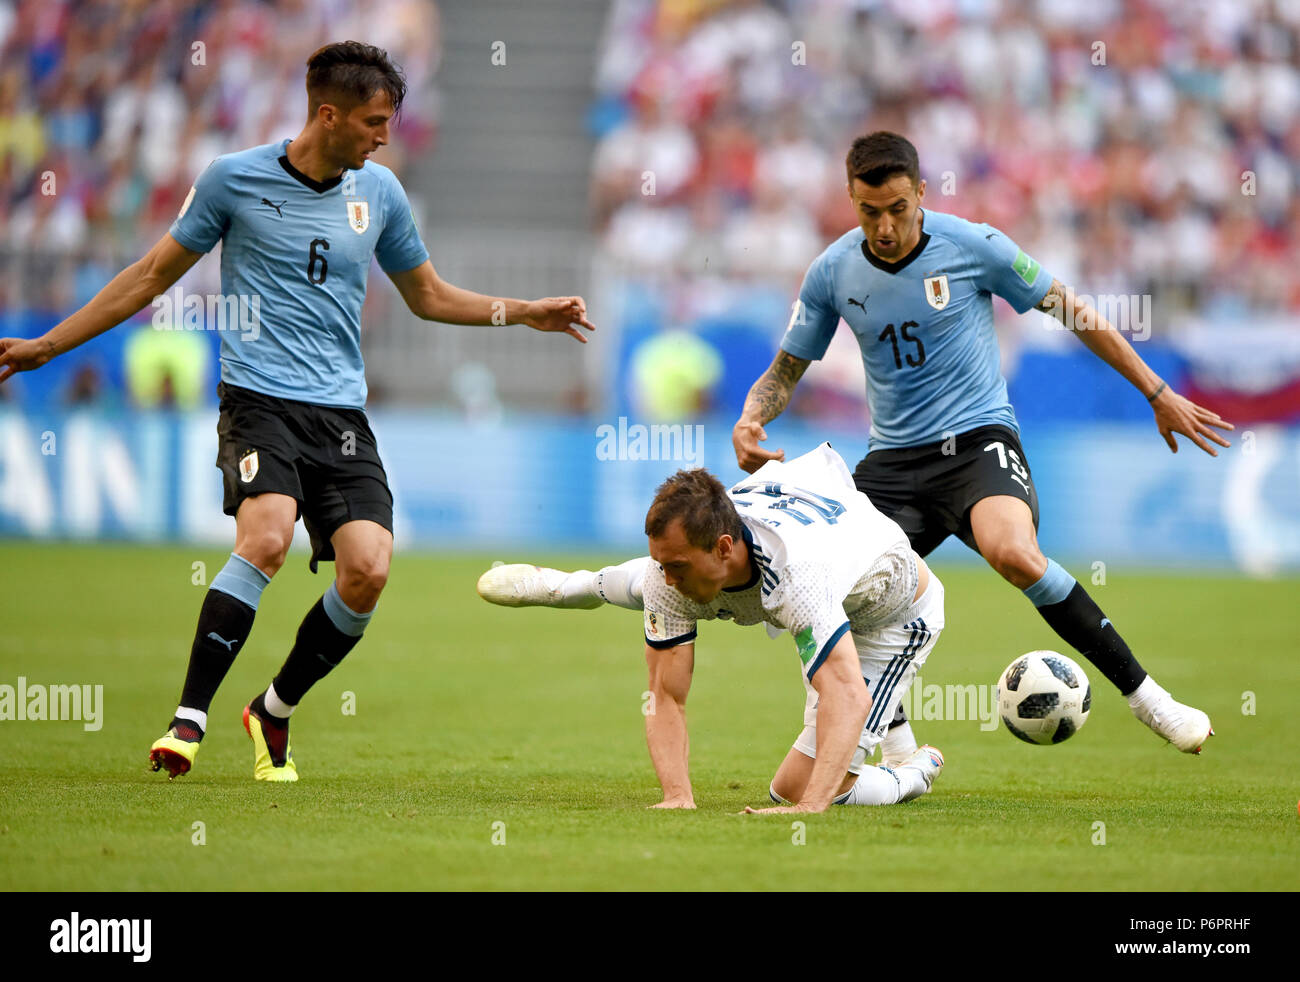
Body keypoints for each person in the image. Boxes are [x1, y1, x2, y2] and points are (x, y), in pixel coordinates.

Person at [0, 41, 595, 782]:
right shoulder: (233, 181)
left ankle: (273, 710)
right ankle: (188, 720)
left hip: (340, 415)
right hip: (258, 400)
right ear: (328, 114)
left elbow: (429, 295)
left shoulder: (379, 194)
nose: (384, 137)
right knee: (269, 536)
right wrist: (49, 346)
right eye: (374, 122)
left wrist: (522, 312)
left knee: (369, 570)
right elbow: (152, 275)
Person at [732, 131, 1229, 753]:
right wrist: (752, 418)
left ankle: (1152, 702)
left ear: (920, 192)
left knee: (1013, 553)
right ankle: (901, 755)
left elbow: (1071, 310)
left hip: (976, 443)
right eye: (869, 212)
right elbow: (785, 370)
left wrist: (1157, 392)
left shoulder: (975, 246)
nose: (884, 227)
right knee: (828, 594)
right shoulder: (832, 272)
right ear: (851, 200)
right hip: (891, 461)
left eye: (897, 209)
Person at [482, 444, 945, 813]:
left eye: (677, 566)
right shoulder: (676, 571)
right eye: (662, 562)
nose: (668, 579)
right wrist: (676, 794)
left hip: (891, 616)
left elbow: (845, 695)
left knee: (800, 786)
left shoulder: (798, 576)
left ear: (724, 547)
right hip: (824, 585)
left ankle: (916, 768)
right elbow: (665, 695)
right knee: (643, 585)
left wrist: (809, 807)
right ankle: (568, 585)